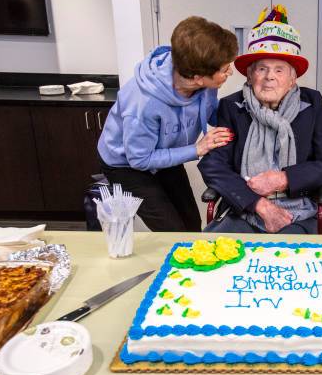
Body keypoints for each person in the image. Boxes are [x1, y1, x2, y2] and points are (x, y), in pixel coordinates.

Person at [198, 6, 322, 234]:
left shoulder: (311, 105)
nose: (269, 77)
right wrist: (259, 204)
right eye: (262, 69)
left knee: (293, 261)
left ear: (292, 78)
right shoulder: (232, 106)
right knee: (212, 258)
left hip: (298, 209)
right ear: (249, 75)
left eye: (279, 70)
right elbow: (214, 165)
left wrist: (283, 179)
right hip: (244, 209)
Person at [98, 16, 238, 231]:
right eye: (225, 68)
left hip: (165, 152)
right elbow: (140, 159)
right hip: (127, 165)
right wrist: (198, 149)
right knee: (172, 232)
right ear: (198, 77)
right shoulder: (143, 103)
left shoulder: (205, 83)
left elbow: (208, 112)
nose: (230, 72)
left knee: (191, 224)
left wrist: (246, 112)